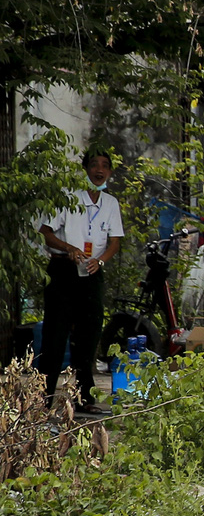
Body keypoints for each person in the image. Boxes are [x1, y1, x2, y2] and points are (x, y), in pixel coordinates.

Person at [36, 150, 125, 412]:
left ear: (109, 172)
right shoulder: (69, 197)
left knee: (88, 337)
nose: (100, 170)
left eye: (105, 166)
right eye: (95, 165)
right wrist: (69, 248)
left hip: (92, 272)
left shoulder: (110, 203)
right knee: (55, 334)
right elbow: (47, 233)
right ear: (85, 169)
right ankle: (43, 401)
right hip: (64, 269)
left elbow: (115, 241)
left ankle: (85, 398)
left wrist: (102, 261)